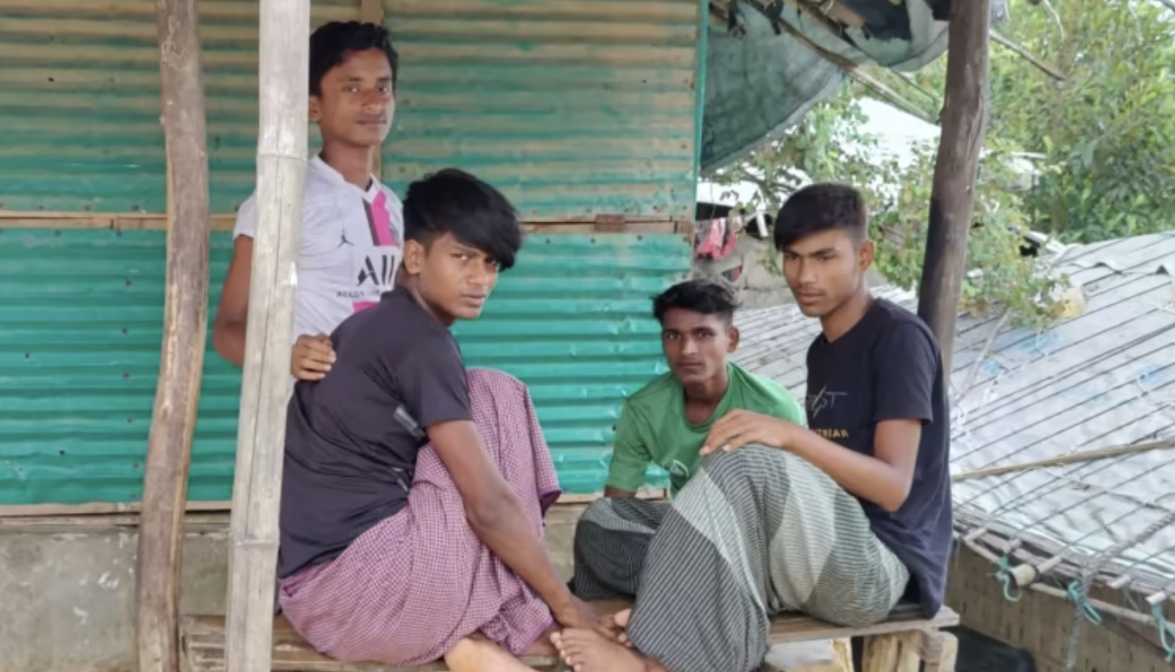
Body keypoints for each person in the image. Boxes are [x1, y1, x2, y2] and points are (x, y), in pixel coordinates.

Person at [554, 183, 952, 672]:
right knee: (604, 521)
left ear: (864, 255)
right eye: (792, 257)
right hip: (802, 558)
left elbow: (892, 489)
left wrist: (789, 437)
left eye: (825, 257)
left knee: (741, 459)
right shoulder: (823, 349)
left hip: (877, 570)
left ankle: (653, 660)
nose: (804, 275)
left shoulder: (898, 338)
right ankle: (675, 610)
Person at [277, 168, 602, 672]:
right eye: (463, 257)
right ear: (413, 256)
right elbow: (489, 507)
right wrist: (568, 606)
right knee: (494, 397)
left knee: (477, 409)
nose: (481, 279)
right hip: (364, 597)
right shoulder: (420, 341)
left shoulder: (372, 325)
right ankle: (524, 616)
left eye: (491, 263)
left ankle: (475, 637)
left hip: (318, 599)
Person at [570, 279, 805, 602]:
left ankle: (688, 594)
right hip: (688, 534)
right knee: (597, 522)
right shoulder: (644, 410)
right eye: (673, 336)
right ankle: (705, 593)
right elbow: (616, 507)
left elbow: (797, 513)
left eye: (703, 335)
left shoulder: (772, 408)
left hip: (757, 543)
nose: (687, 350)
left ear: (731, 340)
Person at [213, 21, 403, 380]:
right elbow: (228, 329)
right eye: (352, 87)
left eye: (383, 87)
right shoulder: (283, 200)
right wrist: (285, 356)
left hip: (383, 414)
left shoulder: (392, 207)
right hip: (311, 420)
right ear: (313, 106)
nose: (373, 101)